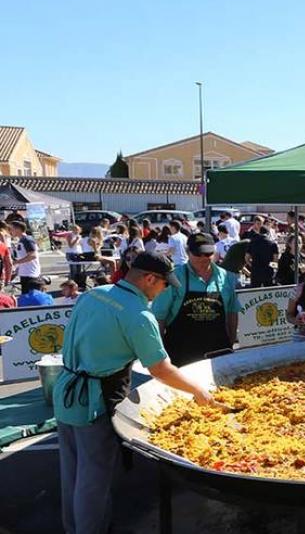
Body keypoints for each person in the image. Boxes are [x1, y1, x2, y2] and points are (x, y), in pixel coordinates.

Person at [55, 252, 218, 534]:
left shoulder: (93, 294)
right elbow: (160, 369)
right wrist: (198, 391)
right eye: (165, 284)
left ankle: (73, 528)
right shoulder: (139, 314)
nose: (165, 290)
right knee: (94, 479)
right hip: (94, 400)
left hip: (65, 390)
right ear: (149, 279)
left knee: (72, 471)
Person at [152, 233, 242, 366]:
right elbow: (158, 318)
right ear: (188, 252)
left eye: (208, 254)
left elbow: (232, 312)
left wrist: (231, 341)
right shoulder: (174, 277)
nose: (203, 258)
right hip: (181, 352)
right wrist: (159, 353)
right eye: (198, 254)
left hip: (218, 351)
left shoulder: (224, 276)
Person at [10, 221, 41, 295]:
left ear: (18, 229)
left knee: (30, 297)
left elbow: (32, 256)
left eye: (11, 229)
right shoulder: (22, 240)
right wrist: (17, 270)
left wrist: (16, 262)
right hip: (25, 274)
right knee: (26, 297)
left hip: (30, 274)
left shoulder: (27, 239)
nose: (10, 231)